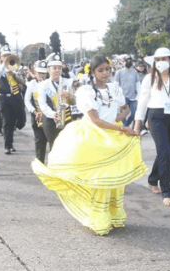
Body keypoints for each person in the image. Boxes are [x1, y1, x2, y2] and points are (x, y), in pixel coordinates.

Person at [33, 55, 145, 235]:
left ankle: (114, 213)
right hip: (93, 135)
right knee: (99, 177)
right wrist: (121, 128)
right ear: (92, 72)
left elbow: (127, 109)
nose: (105, 73)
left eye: (107, 69)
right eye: (100, 70)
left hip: (112, 133)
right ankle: (99, 216)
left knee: (114, 177)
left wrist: (116, 120)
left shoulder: (114, 88)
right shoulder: (87, 91)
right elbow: (95, 120)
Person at [134, 48, 170, 207]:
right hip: (156, 116)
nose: (161, 62)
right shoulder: (149, 78)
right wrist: (137, 124)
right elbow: (142, 103)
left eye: (164, 58)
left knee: (165, 152)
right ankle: (166, 191)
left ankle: (153, 178)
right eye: (158, 59)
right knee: (163, 151)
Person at [38, 55, 71, 157]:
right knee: (54, 146)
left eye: (59, 68)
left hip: (67, 118)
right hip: (50, 119)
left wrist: (70, 96)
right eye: (54, 68)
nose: (57, 71)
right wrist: (53, 114)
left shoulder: (68, 82)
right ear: (48, 70)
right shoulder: (43, 85)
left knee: (67, 147)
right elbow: (42, 104)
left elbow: (76, 101)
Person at [25, 54, 49, 163]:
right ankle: (40, 163)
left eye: (44, 73)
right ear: (35, 73)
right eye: (40, 73)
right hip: (36, 116)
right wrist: (33, 111)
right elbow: (27, 100)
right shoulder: (32, 84)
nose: (42, 75)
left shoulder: (50, 84)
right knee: (39, 140)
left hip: (49, 117)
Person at [114, 57, 141, 127]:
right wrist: (116, 96)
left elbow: (138, 84)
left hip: (132, 97)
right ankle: (124, 127)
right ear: (123, 62)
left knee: (134, 113)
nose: (128, 62)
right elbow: (115, 85)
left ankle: (126, 125)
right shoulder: (119, 72)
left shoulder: (135, 72)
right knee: (122, 114)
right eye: (127, 61)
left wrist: (139, 95)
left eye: (130, 61)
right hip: (122, 97)